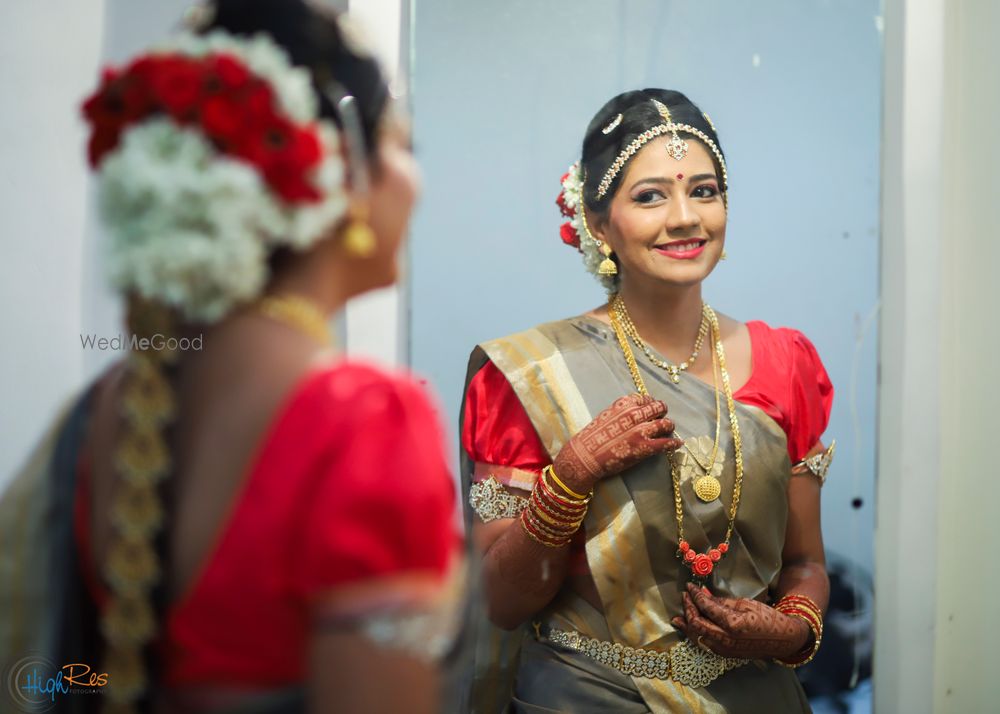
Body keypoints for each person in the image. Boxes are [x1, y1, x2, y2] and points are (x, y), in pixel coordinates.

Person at [0, 1, 462, 712]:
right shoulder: (363, 420)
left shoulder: (101, 412)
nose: (414, 180)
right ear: (344, 176)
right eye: (404, 145)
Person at [459, 89, 835, 713]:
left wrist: (793, 629)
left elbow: (805, 563)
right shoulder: (532, 374)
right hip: (586, 695)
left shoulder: (787, 362)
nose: (685, 217)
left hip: (754, 693)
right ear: (598, 222)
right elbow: (500, 602)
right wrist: (569, 480)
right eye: (650, 195)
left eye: (705, 191)